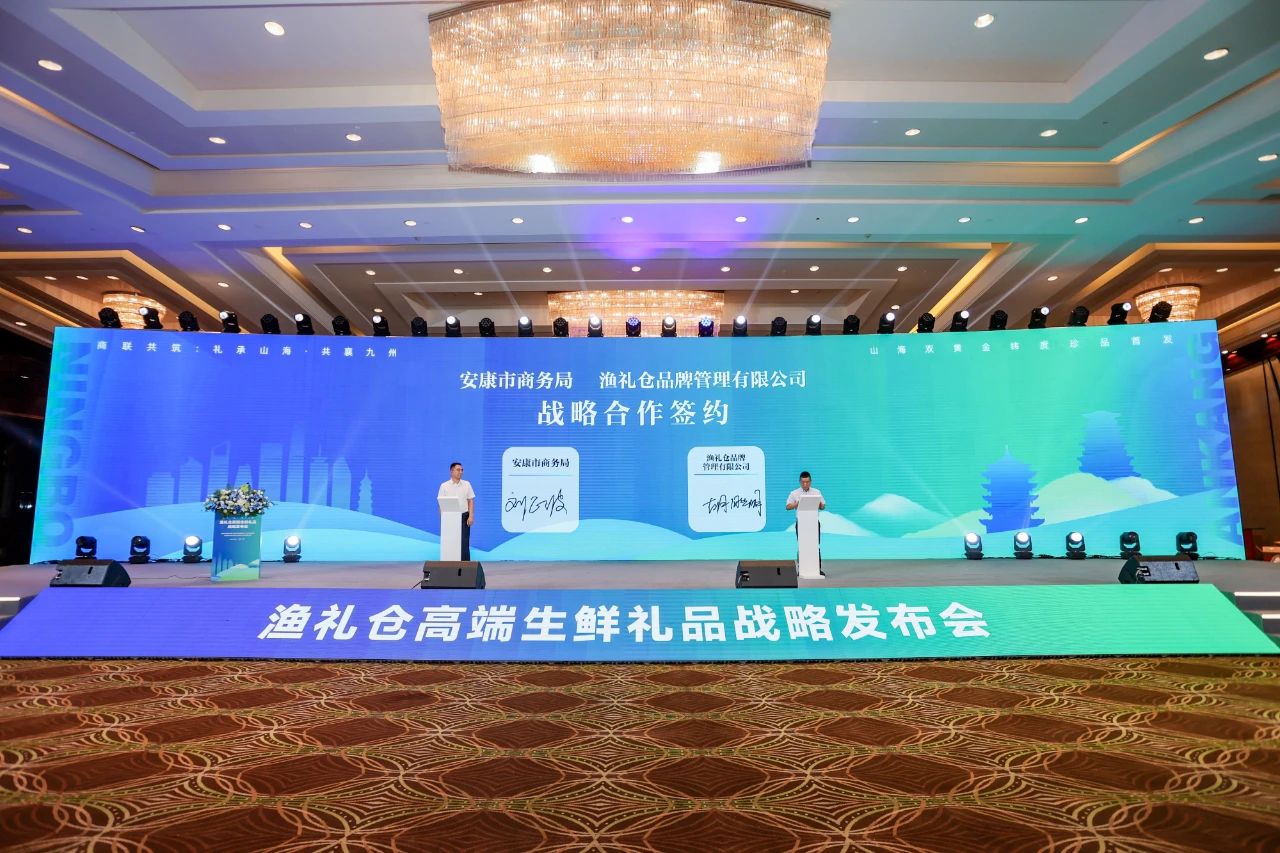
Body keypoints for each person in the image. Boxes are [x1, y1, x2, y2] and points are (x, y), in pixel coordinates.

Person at [786, 471, 825, 573]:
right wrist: (796, 504)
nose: (805, 484)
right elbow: (788, 506)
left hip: (814, 523)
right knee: (802, 546)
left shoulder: (816, 492)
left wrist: (820, 505)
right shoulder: (794, 493)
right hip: (801, 523)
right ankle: (802, 569)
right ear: (800, 482)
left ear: (810, 481)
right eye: (803, 482)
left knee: (815, 546)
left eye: (807, 482)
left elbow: (823, 506)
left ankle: (817, 569)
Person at [438, 462, 475, 560]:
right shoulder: (444, 486)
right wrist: (443, 519)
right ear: (451, 471)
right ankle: (451, 563)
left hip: (464, 517)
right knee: (450, 541)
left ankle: (465, 565)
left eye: (462, 470)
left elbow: (470, 500)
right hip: (449, 518)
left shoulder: (467, 484)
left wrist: (471, 516)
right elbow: (441, 503)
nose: (461, 472)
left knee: (464, 542)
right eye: (458, 470)